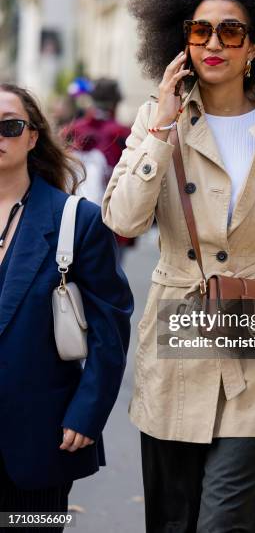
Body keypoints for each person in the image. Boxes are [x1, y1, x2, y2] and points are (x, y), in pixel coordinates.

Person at [102, 0, 255, 533]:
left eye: (231, 31)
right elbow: (122, 217)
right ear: (182, 42)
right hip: (180, 332)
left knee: (226, 518)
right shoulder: (158, 120)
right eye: (201, 31)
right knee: (175, 518)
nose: (214, 44)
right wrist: (160, 126)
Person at [0, 83, 133, 531]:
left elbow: (109, 330)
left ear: (33, 136)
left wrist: (87, 413)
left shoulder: (76, 220)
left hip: (39, 441)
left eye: (10, 126)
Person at [62, 78, 135, 257]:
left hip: (71, 218)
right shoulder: (125, 135)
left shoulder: (71, 130)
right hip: (112, 222)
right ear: (116, 103)